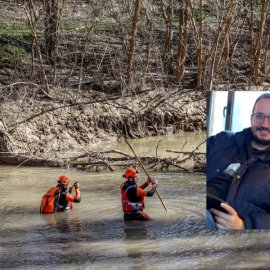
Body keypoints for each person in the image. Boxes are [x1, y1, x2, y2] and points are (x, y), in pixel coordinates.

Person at [207, 93, 270, 229]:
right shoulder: (223, 140)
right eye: (259, 116)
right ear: (251, 118)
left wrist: (244, 225)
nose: (265, 124)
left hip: (217, 226)